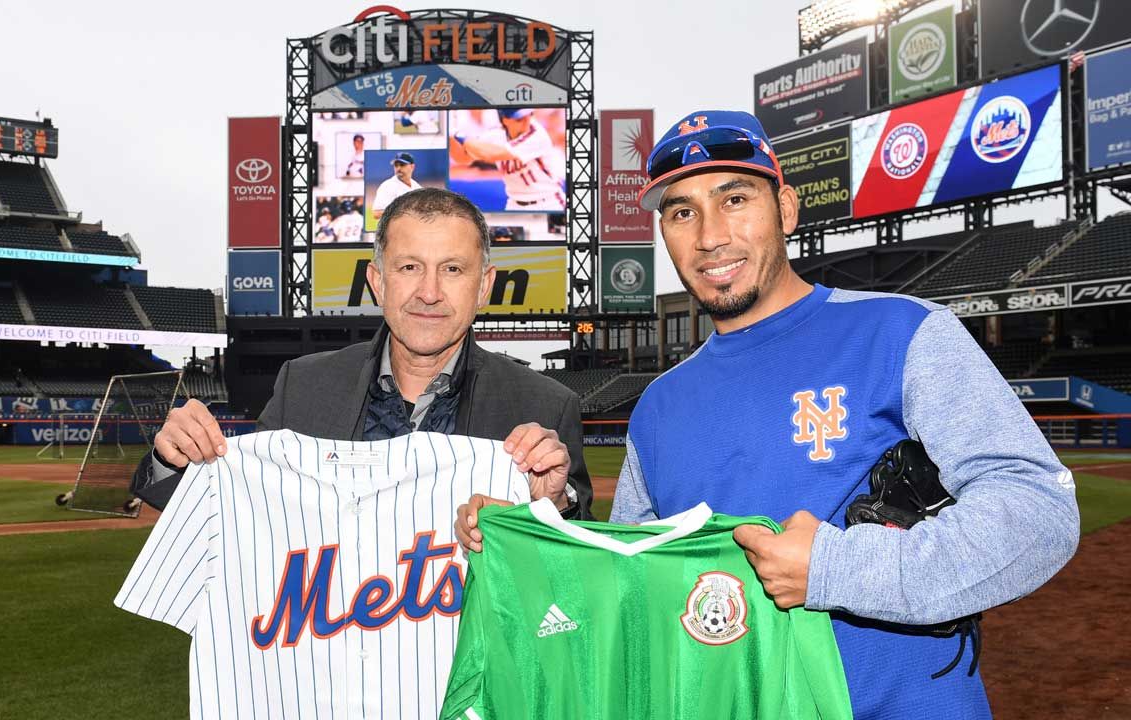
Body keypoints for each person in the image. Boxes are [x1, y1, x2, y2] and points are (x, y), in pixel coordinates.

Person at [456, 111, 1078, 718]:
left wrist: (838, 570)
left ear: (785, 208)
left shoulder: (902, 333)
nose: (709, 236)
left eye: (734, 199)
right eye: (682, 212)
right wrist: (548, 523)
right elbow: (633, 597)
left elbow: (1040, 511)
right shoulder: (658, 408)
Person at [134, 187, 593, 520]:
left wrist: (553, 507)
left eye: (452, 269)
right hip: (329, 646)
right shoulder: (305, 386)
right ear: (378, 282)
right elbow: (234, 507)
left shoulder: (545, 406)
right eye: (409, 267)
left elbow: (580, 581)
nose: (429, 293)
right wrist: (172, 458)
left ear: (484, 287)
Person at [451, 108, 565, 211]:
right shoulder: (496, 134)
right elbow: (463, 158)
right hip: (514, 203)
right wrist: (450, 135)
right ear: (505, 120)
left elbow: (492, 154)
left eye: (529, 115)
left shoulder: (537, 135)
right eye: (519, 119)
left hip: (548, 201)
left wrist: (461, 137)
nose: (526, 123)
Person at [371, 152, 424, 220]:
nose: (398, 168)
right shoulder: (388, 186)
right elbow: (377, 213)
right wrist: (404, 212)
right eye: (396, 165)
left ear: (412, 166)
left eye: (402, 165)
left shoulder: (417, 186)